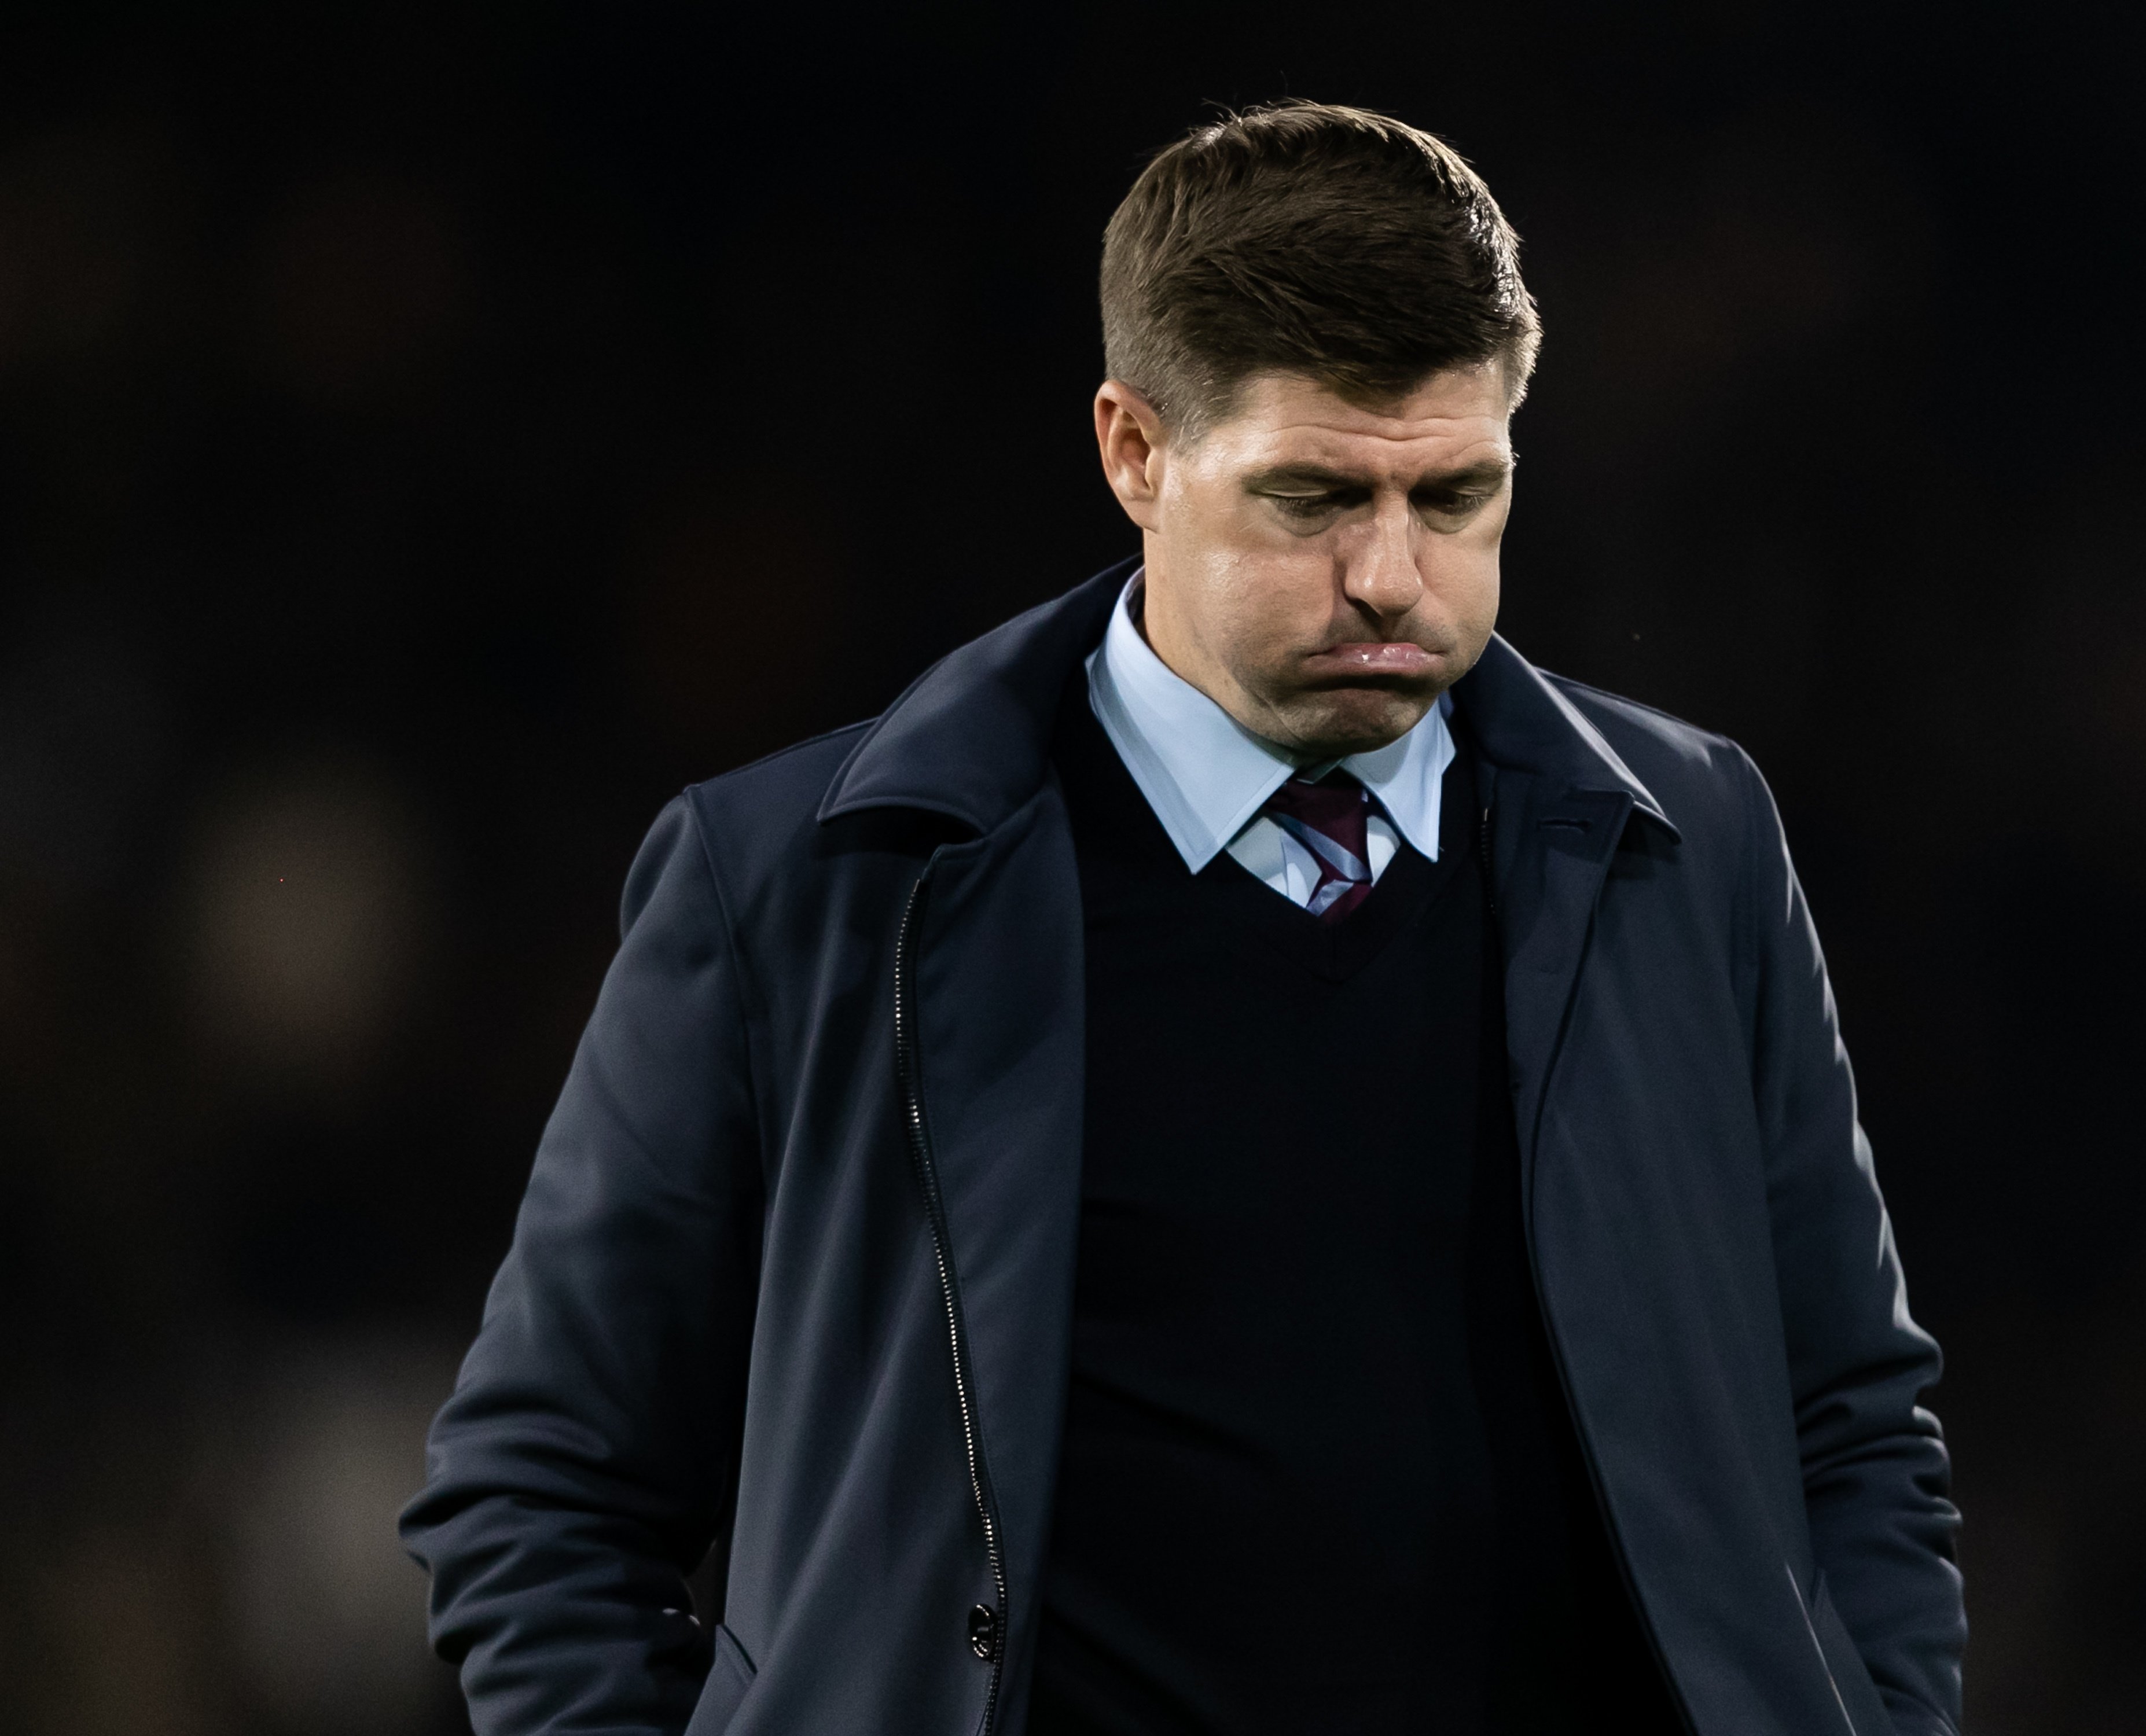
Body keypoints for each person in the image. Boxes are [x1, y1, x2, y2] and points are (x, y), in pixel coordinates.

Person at [402, 100, 1964, 1736]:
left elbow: (1852, 1425)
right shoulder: (801, 886)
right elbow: (542, 1486)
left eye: (1454, 497)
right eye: (1313, 497)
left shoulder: (1688, 847)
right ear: (1133, 453)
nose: (1391, 576)